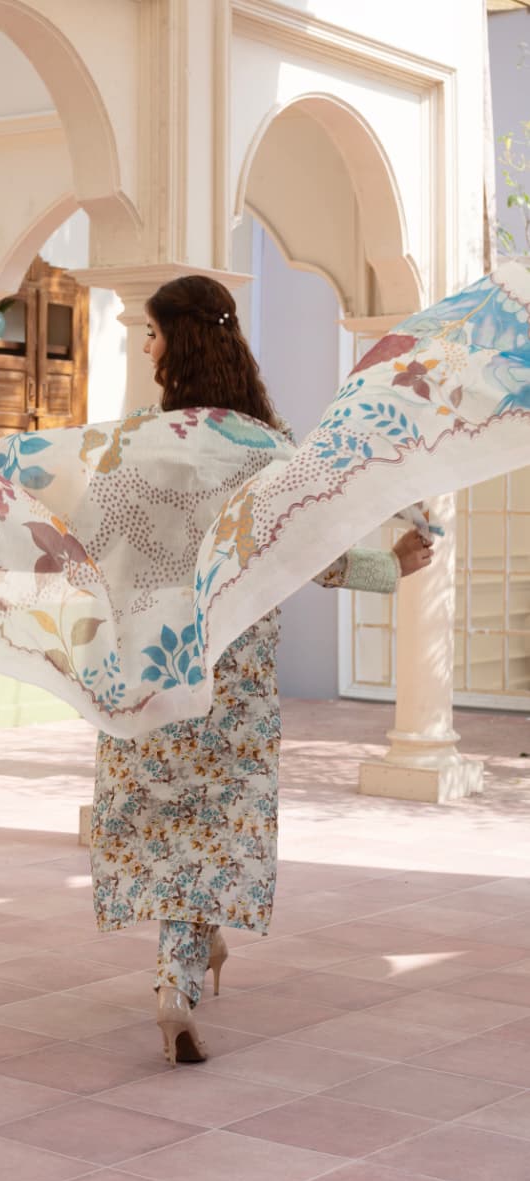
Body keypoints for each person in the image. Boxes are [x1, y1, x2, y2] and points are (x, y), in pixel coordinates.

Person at [89, 275, 434, 1067]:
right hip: (235, 673)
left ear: (177, 343)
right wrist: (389, 566)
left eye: (150, 334)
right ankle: (182, 970)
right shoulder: (268, 449)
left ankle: (182, 967)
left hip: (149, 660)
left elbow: (95, 544)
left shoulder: (133, 445)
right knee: (216, 822)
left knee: (166, 822)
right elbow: (311, 552)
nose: (144, 349)